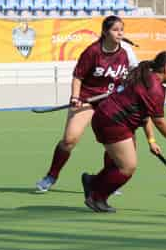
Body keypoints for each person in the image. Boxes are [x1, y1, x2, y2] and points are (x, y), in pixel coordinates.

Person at [36, 15, 139, 193]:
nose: (120, 33)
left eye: (121, 29)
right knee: (70, 140)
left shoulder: (127, 52)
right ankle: (51, 176)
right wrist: (75, 97)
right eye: (115, 30)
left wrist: (127, 85)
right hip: (87, 100)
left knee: (114, 143)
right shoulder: (93, 51)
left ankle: (107, 180)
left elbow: (133, 74)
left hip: (110, 103)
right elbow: (78, 76)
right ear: (105, 32)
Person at [82, 51, 166, 213]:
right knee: (127, 166)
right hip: (112, 121)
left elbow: (145, 115)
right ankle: (97, 197)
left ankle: (93, 182)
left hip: (113, 118)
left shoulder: (147, 75)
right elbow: (159, 120)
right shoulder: (154, 88)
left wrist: (151, 141)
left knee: (119, 160)